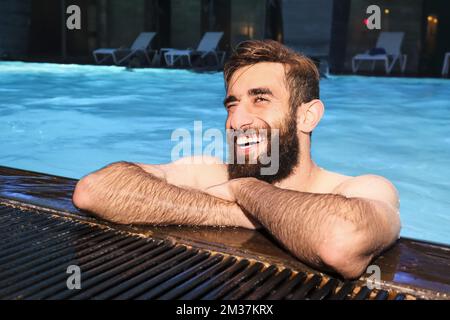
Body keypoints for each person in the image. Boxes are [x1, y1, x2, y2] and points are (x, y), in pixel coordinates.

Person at [72, 40, 400, 279]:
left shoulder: (360, 187)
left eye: (260, 100)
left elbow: (339, 240)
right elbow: (94, 190)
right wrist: (241, 212)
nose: (235, 121)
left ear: (307, 117)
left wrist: (244, 188)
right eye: (231, 104)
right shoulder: (208, 170)